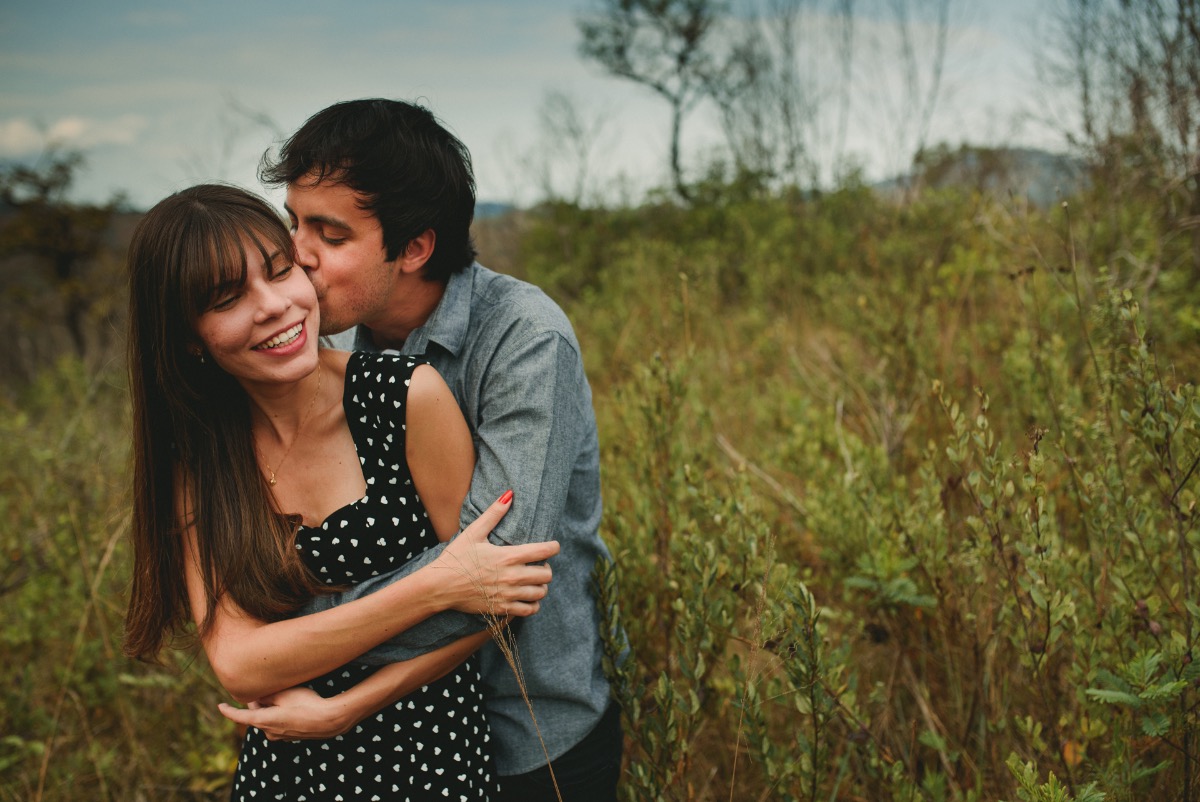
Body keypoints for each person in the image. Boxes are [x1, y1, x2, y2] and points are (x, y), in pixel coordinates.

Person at [233, 98, 624, 801]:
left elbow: (498, 576)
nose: (298, 253)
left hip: (530, 728)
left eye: (331, 231)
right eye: (294, 222)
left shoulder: (524, 339)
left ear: (414, 247)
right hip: (400, 742)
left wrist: (295, 653)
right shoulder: (332, 348)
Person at [122, 183, 561, 800]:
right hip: (286, 773)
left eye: (280, 272)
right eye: (228, 299)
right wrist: (433, 585)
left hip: (430, 759)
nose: (273, 306)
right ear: (189, 337)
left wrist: (348, 705)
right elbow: (240, 663)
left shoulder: (407, 397)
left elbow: (491, 603)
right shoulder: (199, 458)